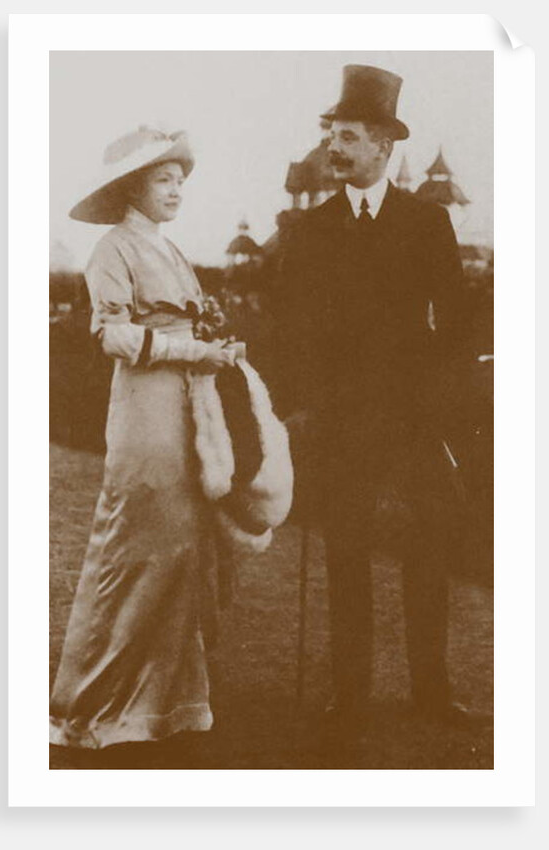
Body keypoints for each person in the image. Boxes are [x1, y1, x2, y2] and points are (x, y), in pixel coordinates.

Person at [277, 65, 478, 740]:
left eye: (351, 137)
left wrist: (440, 414)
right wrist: (301, 407)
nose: (335, 149)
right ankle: (350, 694)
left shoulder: (427, 222)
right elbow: (290, 328)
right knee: (346, 554)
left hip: (414, 418)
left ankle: (431, 691)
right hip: (340, 422)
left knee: (428, 554)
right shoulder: (305, 229)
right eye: (333, 134)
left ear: (385, 147)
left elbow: (456, 328)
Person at [49, 126, 241, 750]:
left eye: (180, 180)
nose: (176, 190)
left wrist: (217, 347)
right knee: (134, 543)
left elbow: (192, 321)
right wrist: (193, 349)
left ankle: (165, 705)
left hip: (187, 406)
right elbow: (115, 337)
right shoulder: (112, 250)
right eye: (164, 179)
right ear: (135, 186)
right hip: (143, 411)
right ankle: (94, 703)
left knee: (180, 547)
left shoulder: (172, 250)